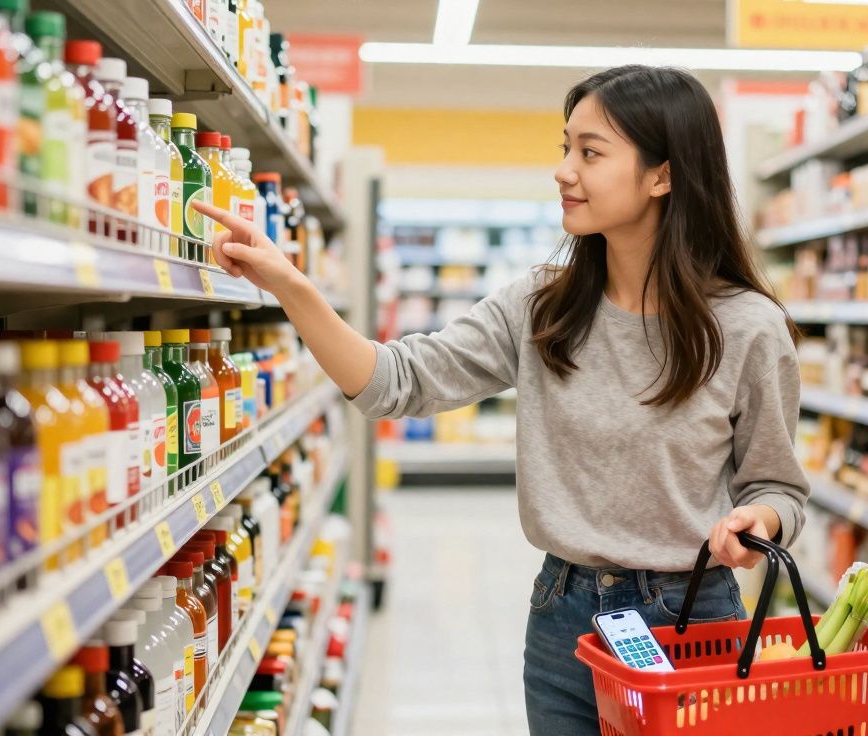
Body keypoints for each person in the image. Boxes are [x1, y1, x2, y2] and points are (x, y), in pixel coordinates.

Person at [192, 64, 809, 735]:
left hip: (690, 620)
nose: (564, 170)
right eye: (564, 147)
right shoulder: (544, 304)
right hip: (564, 614)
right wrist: (291, 286)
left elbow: (777, 486)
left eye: (591, 152)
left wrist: (760, 525)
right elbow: (396, 380)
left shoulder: (748, 326)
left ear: (662, 175)